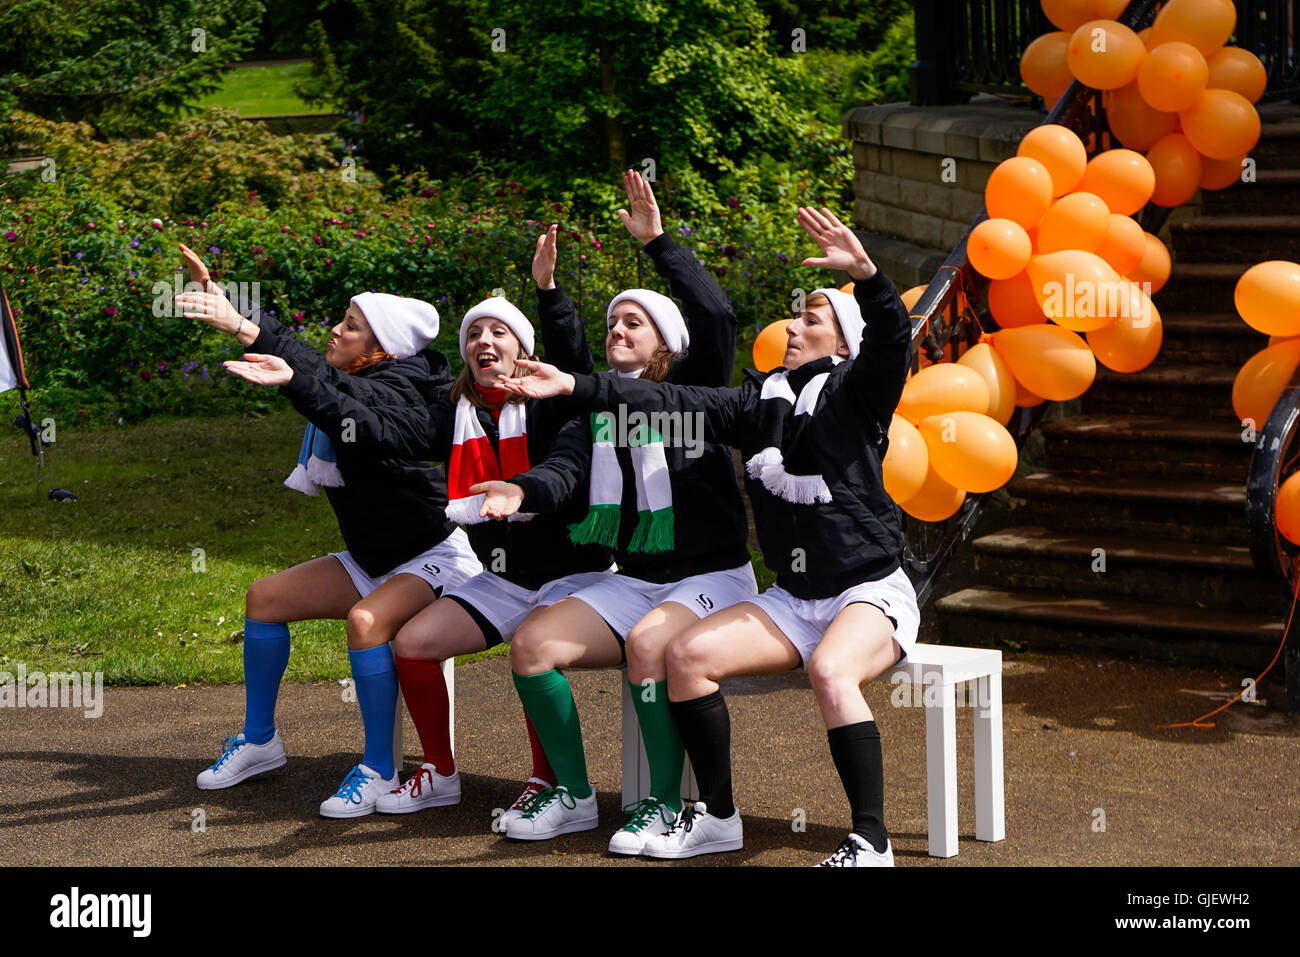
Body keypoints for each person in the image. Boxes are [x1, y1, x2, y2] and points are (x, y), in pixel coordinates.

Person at [497, 207, 918, 866]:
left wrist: (867, 275)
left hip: (866, 590)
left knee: (832, 669)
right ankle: (718, 816)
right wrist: (576, 383)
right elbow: (672, 403)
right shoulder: (756, 404)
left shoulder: (858, 394)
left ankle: (870, 839)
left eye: (810, 319)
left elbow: (893, 338)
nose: (792, 327)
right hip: (792, 596)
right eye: (794, 316)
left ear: (843, 344)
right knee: (687, 657)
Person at [469, 170, 755, 851]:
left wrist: (658, 243)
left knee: (655, 640)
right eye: (612, 322)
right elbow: (566, 467)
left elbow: (716, 316)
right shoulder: (602, 409)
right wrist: (522, 491)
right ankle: (571, 794)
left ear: (667, 342)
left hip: (712, 578)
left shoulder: (697, 390)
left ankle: (660, 802)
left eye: (633, 321)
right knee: (535, 642)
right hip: (639, 579)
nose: (617, 327)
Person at [174, 245, 483, 817]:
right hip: (371, 558)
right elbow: (327, 382)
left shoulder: (412, 396)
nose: (335, 332)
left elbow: (361, 415)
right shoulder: (357, 379)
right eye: (342, 319)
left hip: (434, 555)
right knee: (264, 597)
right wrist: (240, 322)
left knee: (366, 623)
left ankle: (378, 768)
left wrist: (280, 363)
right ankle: (260, 741)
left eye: (351, 326)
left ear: (381, 347)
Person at [377, 249, 614, 820]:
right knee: (412, 642)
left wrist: (550, 291)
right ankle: (439, 771)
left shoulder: (554, 407)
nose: (485, 339)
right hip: (502, 580)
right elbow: (381, 426)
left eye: (499, 331)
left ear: (524, 350)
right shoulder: (456, 411)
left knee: (533, 645)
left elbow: (575, 360)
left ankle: (548, 780)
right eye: (475, 332)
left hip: (575, 576)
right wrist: (296, 375)